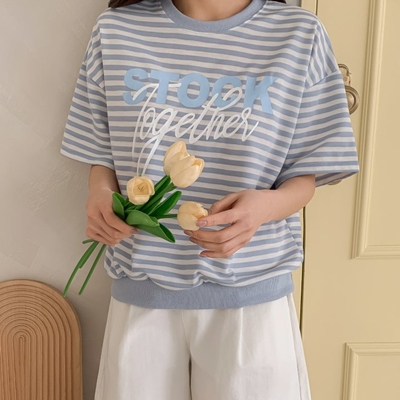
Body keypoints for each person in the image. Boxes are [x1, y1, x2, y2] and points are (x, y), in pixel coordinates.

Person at [60, 0, 359, 398]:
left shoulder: (299, 35)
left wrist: (262, 209)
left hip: (251, 293)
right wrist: (100, 195)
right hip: (143, 285)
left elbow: (306, 173)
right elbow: (101, 152)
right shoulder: (116, 31)